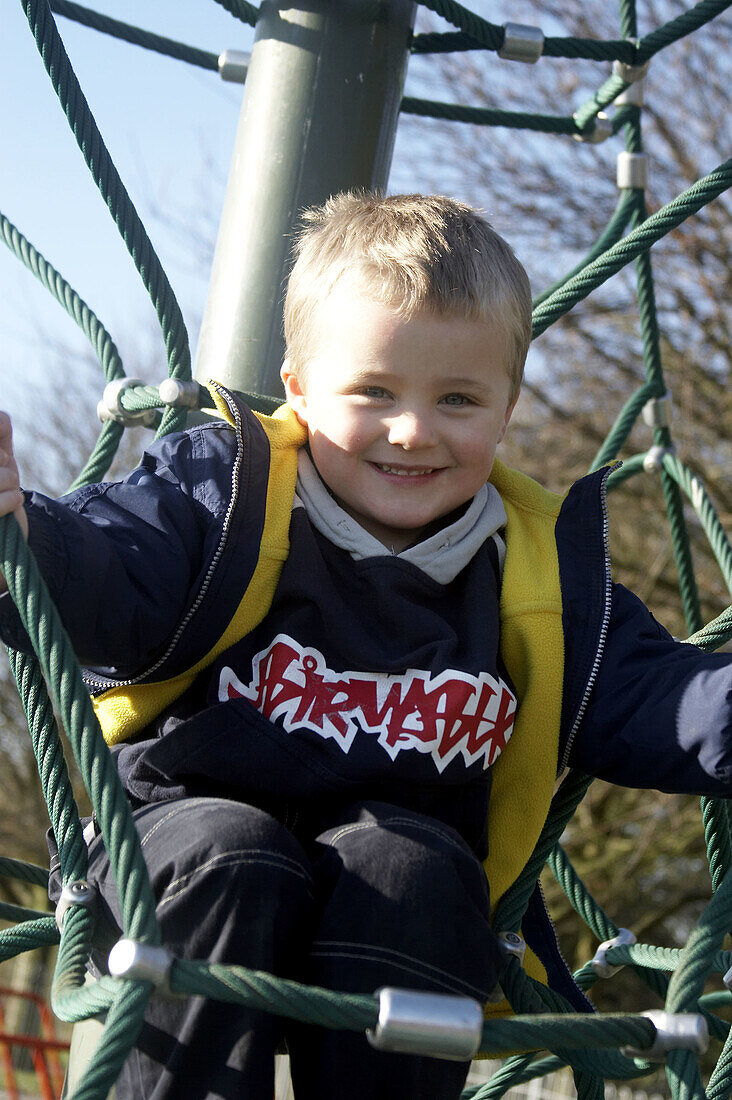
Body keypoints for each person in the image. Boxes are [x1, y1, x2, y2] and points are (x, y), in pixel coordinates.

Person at [0, 192, 730, 1100]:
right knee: (234, 847)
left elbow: (657, 696)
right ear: (300, 391)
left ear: (508, 408)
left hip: (390, 922)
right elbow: (111, 569)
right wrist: (24, 535)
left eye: (457, 399)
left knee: (416, 866)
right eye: (373, 392)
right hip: (181, 868)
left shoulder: (537, 576)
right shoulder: (227, 496)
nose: (414, 430)